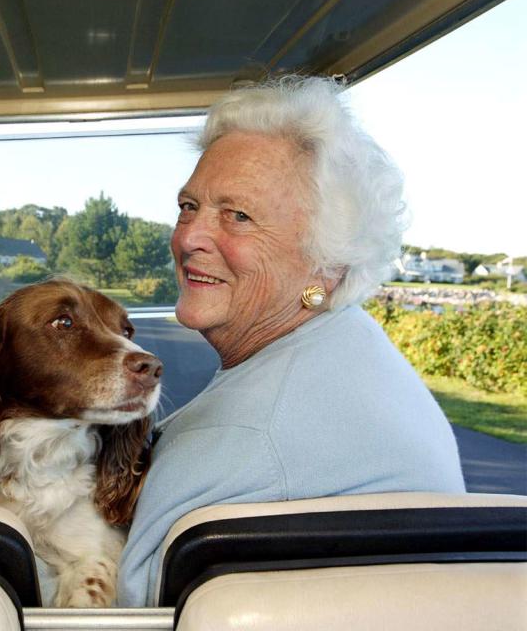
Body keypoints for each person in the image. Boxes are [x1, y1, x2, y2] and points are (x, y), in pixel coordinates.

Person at [117, 76, 465, 606]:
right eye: (189, 206)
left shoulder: (248, 431)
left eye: (238, 216)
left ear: (325, 264)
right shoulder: (354, 344)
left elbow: (125, 605)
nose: (188, 237)